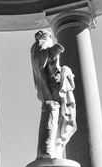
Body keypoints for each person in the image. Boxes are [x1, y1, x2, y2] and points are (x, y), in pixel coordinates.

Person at [30, 30, 76, 159]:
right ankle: (48, 151)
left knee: (60, 115)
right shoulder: (40, 45)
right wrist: (53, 51)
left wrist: (63, 71)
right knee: (53, 112)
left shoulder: (43, 44)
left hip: (55, 84)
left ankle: (55, 150)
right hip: (51, 87)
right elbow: (40, 60)